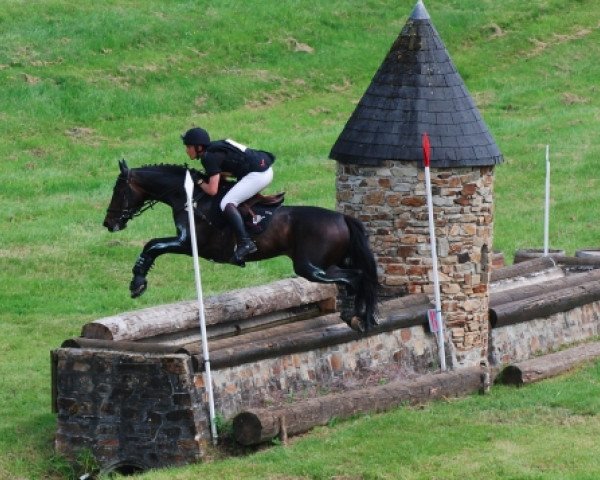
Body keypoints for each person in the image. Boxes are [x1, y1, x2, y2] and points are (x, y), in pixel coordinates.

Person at [182, 127, 275, 265]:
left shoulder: (208, 157)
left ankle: (245, 243)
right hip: (261, 167)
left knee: (226, 203)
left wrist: (200, 181)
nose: (187, 150)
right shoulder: (214, 149)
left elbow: (212, 190)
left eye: (189, 146)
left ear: (199, 147)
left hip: (259, 175)